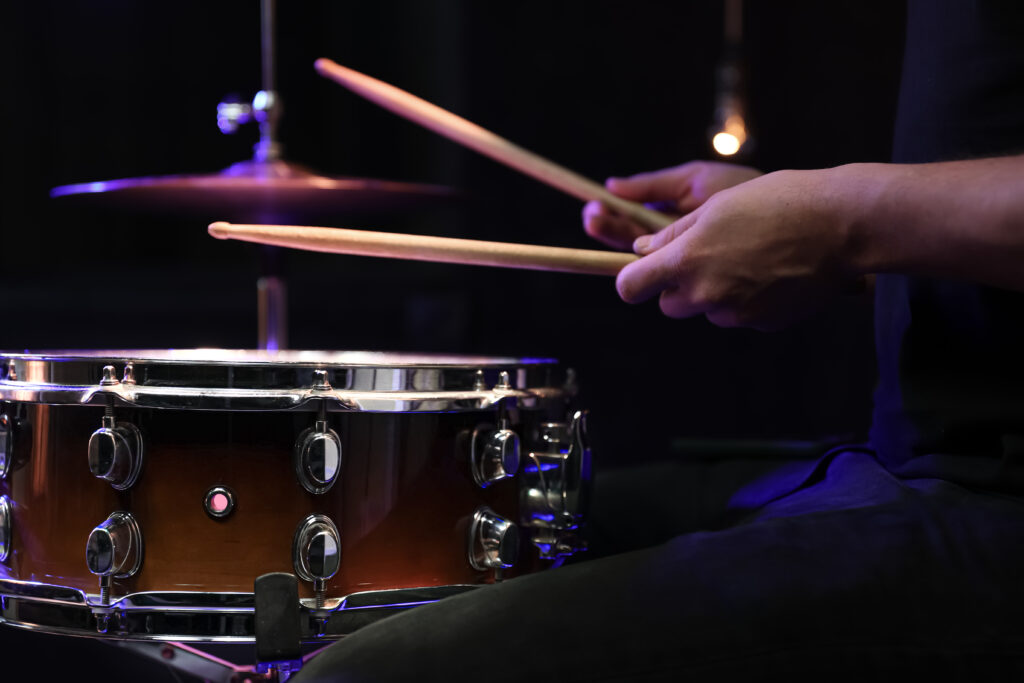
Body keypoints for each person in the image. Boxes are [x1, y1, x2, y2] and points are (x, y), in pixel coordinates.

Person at [295, 1, 1024, 679]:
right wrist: (826, 258)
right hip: (904, 461)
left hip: (995, 506)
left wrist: (839, 220)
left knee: (370, 668)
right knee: (403, 568)